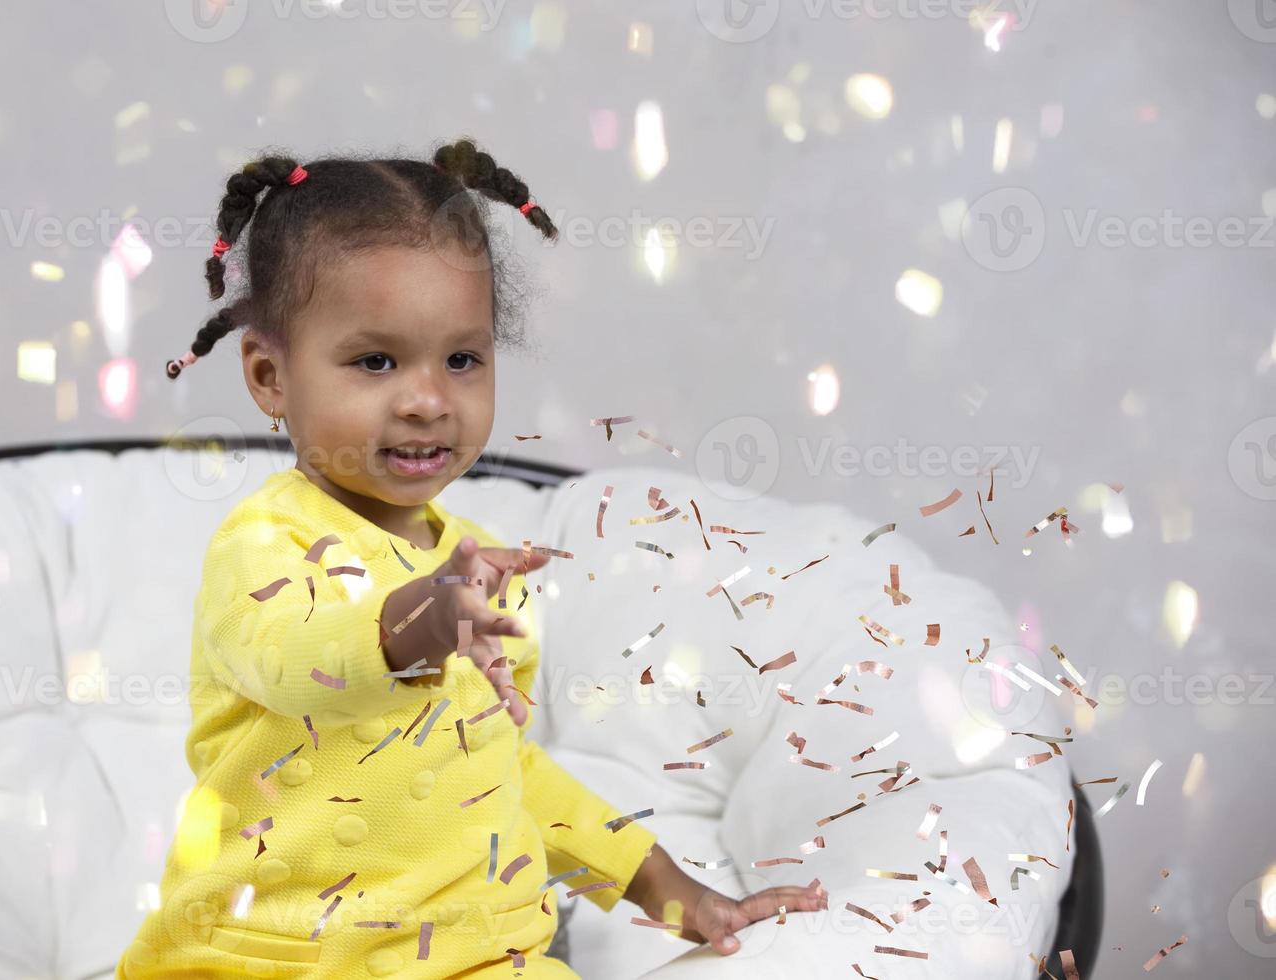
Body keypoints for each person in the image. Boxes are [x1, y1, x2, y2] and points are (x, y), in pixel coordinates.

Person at [116, 138, 825, 978]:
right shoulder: (265, 544)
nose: (427, 400)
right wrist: (415, 623)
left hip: (473, 958)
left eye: (462, 360)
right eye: (374, 361)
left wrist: (673, 891)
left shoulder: (472, 566)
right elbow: (297, 662)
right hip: (270, 957)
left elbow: (505, 773)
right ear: (271, 376)